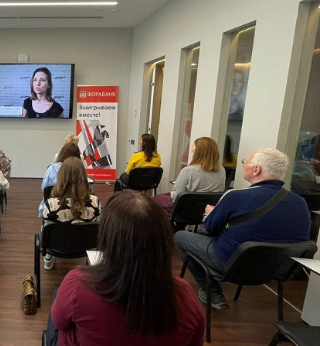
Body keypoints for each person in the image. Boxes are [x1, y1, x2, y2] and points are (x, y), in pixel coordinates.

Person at [47, 191, 204, 346]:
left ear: (108, 239)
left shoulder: (77, 284)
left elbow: (59, 322)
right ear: (163, 241)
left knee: (59, 301)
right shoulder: (186, 297)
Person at [174, 148, 311, 310]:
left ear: (256, 169)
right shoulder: (300, 203)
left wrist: (210, 213)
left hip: (233, 265)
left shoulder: (235, 196)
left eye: (246, 162)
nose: (244, 165)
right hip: (276, 270)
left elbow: (210, 228)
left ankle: (212, 291)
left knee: (181, 237)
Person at [42, 157, 101, 270]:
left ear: (61, 176)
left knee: (46, 226)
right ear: (83, 176)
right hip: (85, 245)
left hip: (57, 246)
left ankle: (48, 259)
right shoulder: (95, 201)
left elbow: (47, 224)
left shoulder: (51, 204)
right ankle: (90, 260)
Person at [152, 137, 225, 216]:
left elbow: (176, 198)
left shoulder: (188, 171)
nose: (191, 150)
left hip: (185, 211)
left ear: (199, 151)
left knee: (152, 201)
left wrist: (173, 194)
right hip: (206, 211)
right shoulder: (222, 170)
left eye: (193, 147)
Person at [39, 142, 82, 217]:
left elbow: (44, 188)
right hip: (78, 209)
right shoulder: (80, 169)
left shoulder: (51, 169)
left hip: (53, 212)